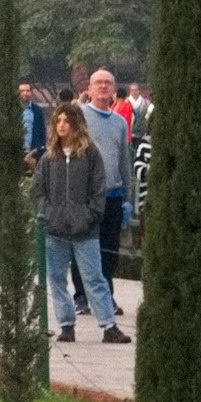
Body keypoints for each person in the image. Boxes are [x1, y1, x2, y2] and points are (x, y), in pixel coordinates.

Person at [35, 104, 125, 344]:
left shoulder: (90, 154)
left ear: (76, 124)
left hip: (85, 230)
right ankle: (66, 325)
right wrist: (49, 214)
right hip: (55, 231)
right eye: (58, 121)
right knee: (56, 279)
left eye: (67, 120)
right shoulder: (48, 157)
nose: (62, 125)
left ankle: (108, 325)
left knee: (94, 278)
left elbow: (99, 190)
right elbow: (38, 191)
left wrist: (90, 216)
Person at [80, 69, 132, 284]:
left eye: (107, 83)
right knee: (85, 248)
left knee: (109, 250)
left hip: (113, 195)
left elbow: (123, 161)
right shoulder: (79, 117)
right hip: (87, 195)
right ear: (90, 89)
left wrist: (127, 198)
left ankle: (106, 296)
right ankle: (83, 295)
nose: (103, 86)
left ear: (114, 89)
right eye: (98, 82)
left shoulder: (120, 122)